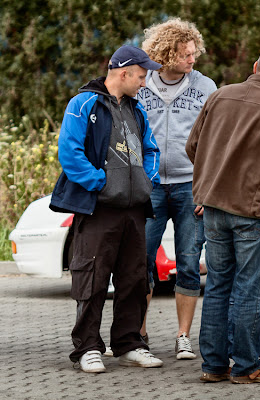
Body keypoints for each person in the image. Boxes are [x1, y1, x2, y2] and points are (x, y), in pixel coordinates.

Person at [186, 45, 260, 384]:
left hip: (214, 208)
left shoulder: (220, 96)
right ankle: (247, 367)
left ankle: (214, 366)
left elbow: (193, 146)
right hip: (254, 212)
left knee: (218, 286)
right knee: (249, 289)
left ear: (255, 66)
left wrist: (211, 183)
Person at [49, 45, 164, 373]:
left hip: (134, 209)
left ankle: (129, 344)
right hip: (98, 209)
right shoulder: (83, 103)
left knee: (134, 280)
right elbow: (69, 152)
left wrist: (146, 179)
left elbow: (151, 149)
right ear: (124, 72)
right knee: (93, 280)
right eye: (141, 76)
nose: (145, 83)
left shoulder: (136, 109)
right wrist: (100, 183)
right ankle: (87, 348)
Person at [137, 17, 217, 360]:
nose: (192, 59)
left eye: (193, 53)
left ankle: (183, 336)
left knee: (188, 262)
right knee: (139, 263)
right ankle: (136, 334)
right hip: (150, 187)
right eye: (185, 54)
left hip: (190, 187)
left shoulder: (205, 86)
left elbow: (216, 142)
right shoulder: (141, 85)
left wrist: (207, 188)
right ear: (166, 53)